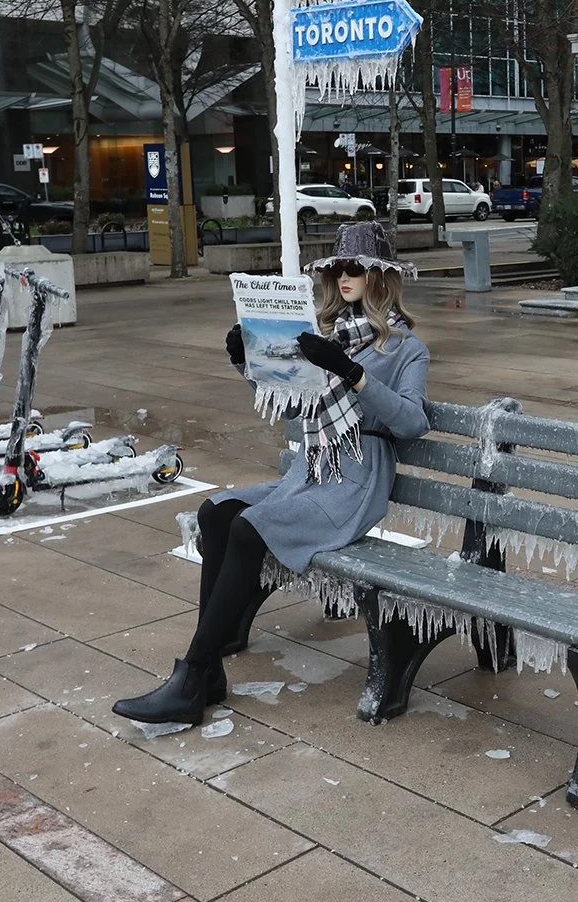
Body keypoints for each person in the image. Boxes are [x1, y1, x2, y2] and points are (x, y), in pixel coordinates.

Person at [113, 220, 430, 726]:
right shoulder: (326, 334)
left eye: (355, 268)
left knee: (249, 526)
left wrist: (353, 374)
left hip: (355, 482)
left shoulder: (405, 347)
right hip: (311, 470)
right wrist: (250, 362)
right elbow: (295, 409)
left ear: (380, 277)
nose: (343, 276)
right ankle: (212, 664)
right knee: (215, 512)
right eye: (337, 268)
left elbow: (414, 422)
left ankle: (193, 677)